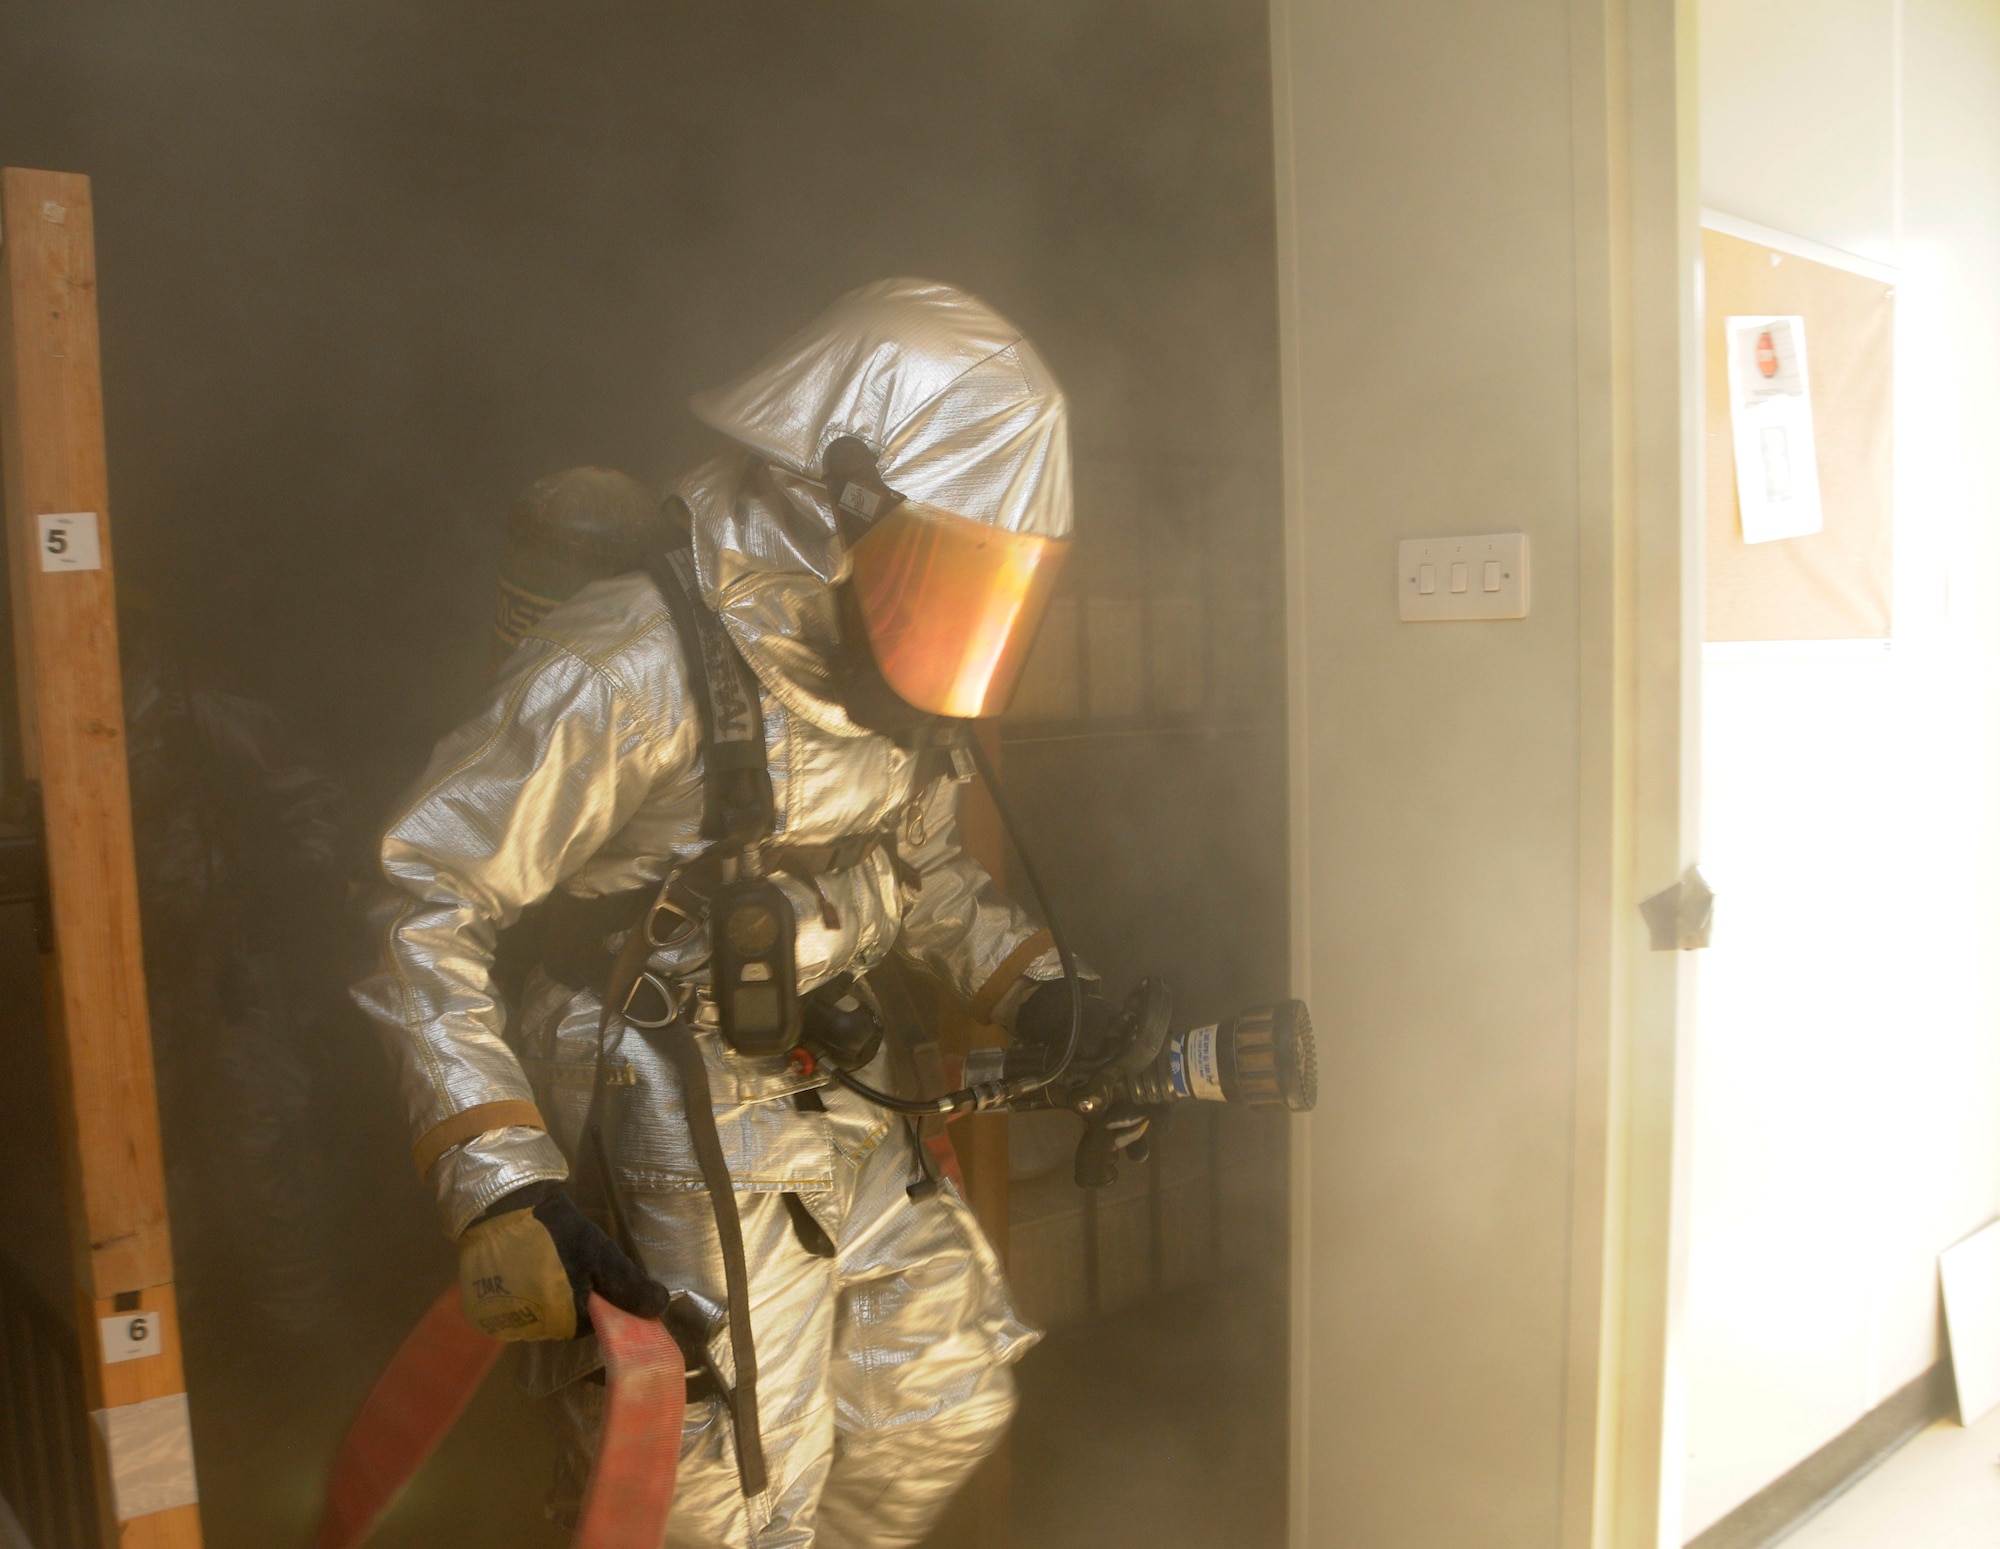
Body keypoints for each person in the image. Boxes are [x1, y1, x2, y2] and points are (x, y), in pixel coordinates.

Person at [353, 278, 1083, 1548]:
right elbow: (423, 893)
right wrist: (500, 1177)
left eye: (989, 584)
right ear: (827, 499)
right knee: (722, 1496)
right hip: (663, 1100)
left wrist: (1033, 984)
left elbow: (922, 873)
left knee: (940, 1400)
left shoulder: (888, 683)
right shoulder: (626, 667)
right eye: (944, 568)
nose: (957, 616)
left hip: (833, 1083)